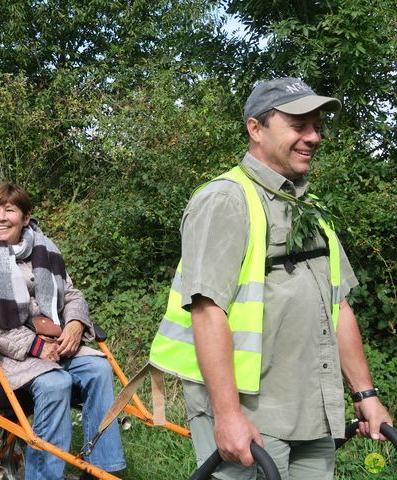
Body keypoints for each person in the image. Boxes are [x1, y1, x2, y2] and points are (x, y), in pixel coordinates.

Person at [150, 78, 393, 479]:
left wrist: (365, 395)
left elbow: (339, 305)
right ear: (255, 128)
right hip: (250, 416)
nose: (313, 137)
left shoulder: (310, 207)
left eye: (317, 126)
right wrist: (227, 416)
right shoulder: (225, 200)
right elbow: (207, 311)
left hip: (311, 409)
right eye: (299, 125)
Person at [0, 183, 125, 480]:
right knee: (55, 384)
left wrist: (74, 324)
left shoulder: (43, 247)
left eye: (10, 210)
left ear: (26, 217)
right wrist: (31, 345)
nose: (0, 218)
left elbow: (71, 294)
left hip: (49, 340)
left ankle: (100, 469)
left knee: (98, 368)